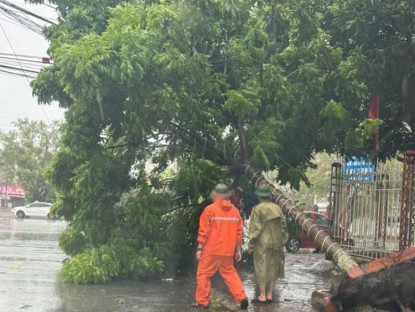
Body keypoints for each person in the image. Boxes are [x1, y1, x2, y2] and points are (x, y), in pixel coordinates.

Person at [194, 183, 249, 310]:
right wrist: (238, 250)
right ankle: (242, 298)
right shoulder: (235, 212)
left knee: (203, 274)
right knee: (230, 274)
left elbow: (204, 232)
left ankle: (202, 302)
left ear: (215, 195)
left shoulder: (209, 210)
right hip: (227, 251)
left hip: (211, 251)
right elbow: (239, 233)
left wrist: (199, 248)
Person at [248, 185, 288, 304]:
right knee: (273, 267)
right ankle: (270, 294)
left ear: (259, 195)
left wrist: (251, 244)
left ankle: (262, 295)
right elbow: (284, 226)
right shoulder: (277, 208)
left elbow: (255, 228)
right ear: (269, 196)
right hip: (277, 242)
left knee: (261, 267)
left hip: (262, 243)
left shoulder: (257, 209)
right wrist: (283, 241)